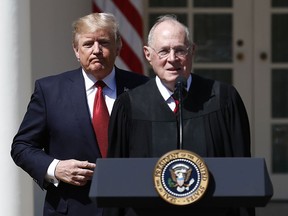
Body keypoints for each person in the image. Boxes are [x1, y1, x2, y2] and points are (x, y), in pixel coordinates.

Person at [107, 15, 254, 216]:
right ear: (148, 55)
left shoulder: (223, 99)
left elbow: (242, 172)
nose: (172, 59)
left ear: (192, 51)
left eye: (180, 50)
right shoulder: (129, 105)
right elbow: (116, 180)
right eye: (164, 51)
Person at [11, 13, 149, 216]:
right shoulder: (49, 90)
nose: (96, 50)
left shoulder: (143, 88)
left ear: (118, 47)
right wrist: (55, 168)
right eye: (88, 44)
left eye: (104, 42)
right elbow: (22, 146)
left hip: (132, 208)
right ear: (76, 50)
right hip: (71, 208)